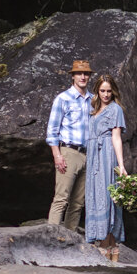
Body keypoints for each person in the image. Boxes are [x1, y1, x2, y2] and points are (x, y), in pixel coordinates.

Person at [45, 58, 93, 228]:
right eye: (79, 73)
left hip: (88, 154)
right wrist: (57, 155)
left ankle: (70, 241)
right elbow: (52, 131)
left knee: (78, 203)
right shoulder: (63, 99)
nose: (83, 76)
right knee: (61, 199)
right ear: (72, 76)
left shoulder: (93, 100)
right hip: (69, 152)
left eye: (86, 73)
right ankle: (50, 240)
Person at [84, 72, 128, 258]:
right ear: (97, 91)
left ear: (113, 92)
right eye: (102, 90)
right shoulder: (94, 109)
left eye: (109, 91)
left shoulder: (115, 109)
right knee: (95, 195)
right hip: (93, 155)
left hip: (106, 154)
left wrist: (121, 165)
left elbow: (116, 138)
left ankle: (107, 246)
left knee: (107, 196)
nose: (106, 94)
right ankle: (110, 248)